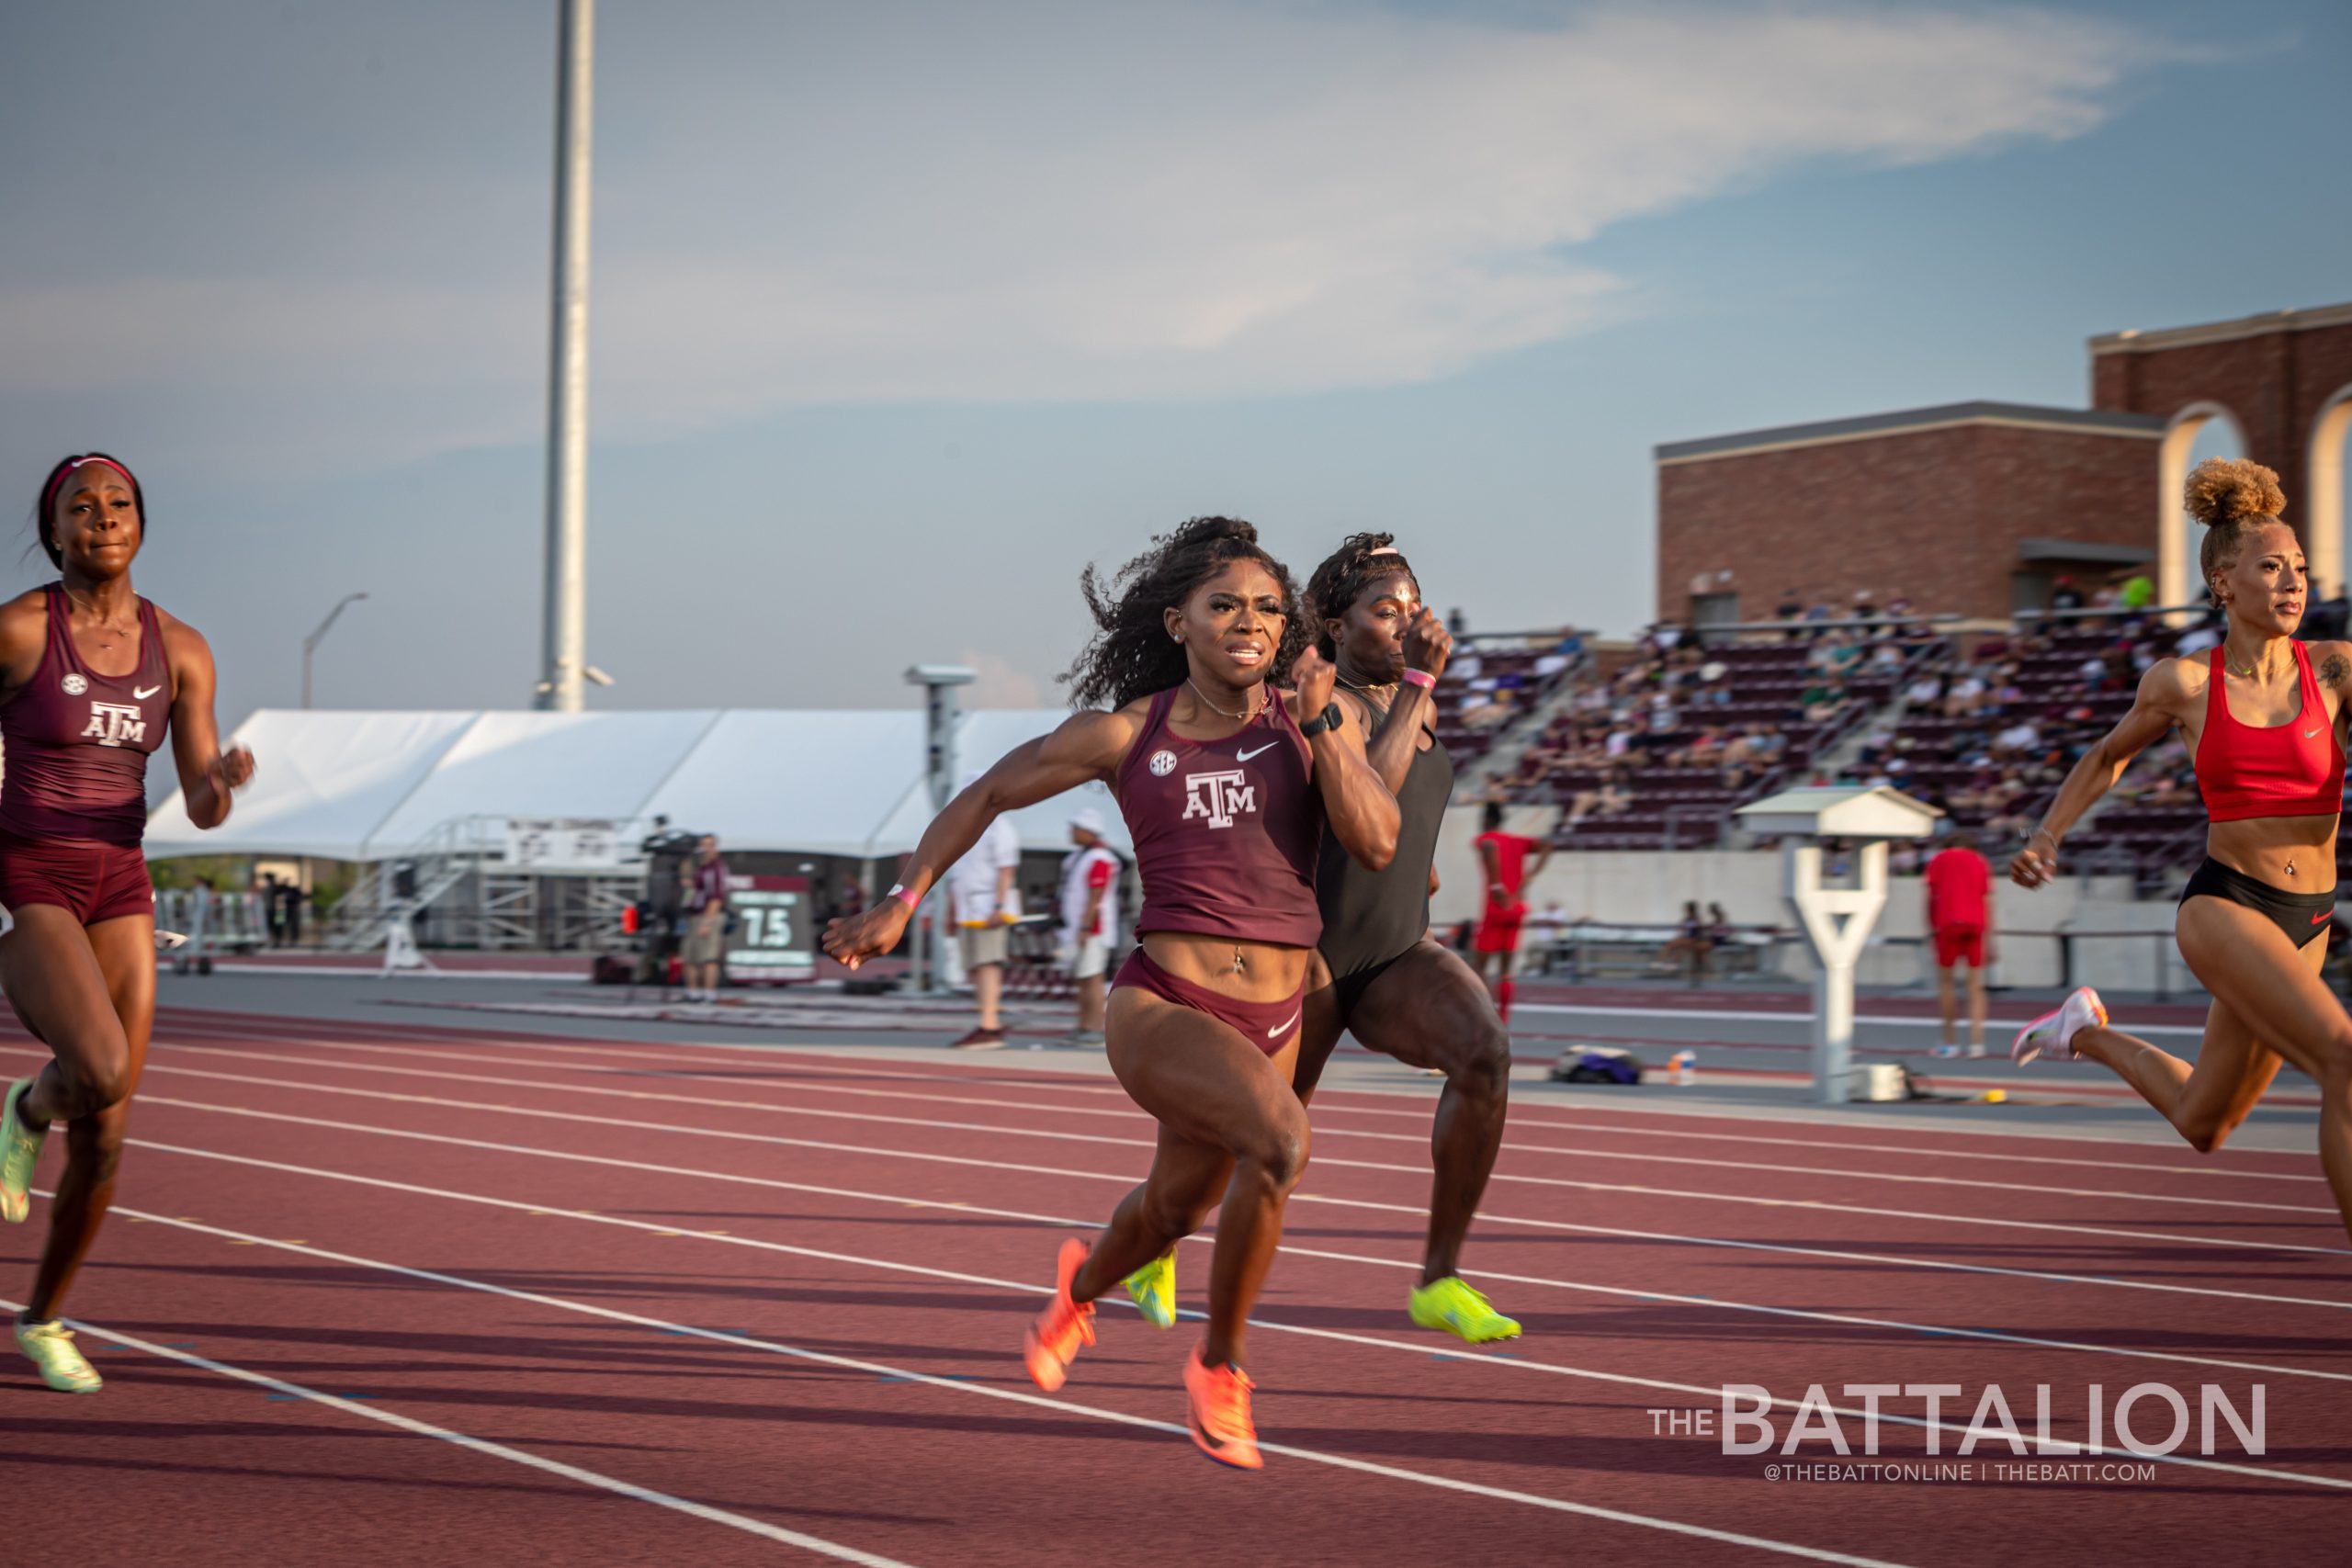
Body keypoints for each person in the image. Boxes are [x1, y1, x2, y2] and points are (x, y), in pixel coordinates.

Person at [822, 516, 1399, 1468]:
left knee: (1175, 1211)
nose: (1247, 622)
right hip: (1166, 1005)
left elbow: (1375, 840)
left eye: (1266, 608)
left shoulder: (1311, 722)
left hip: (1280, 1015)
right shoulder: (1128, 731)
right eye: (1223, 606)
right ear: (1178, 621)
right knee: (1280, 1143)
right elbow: (985, 797)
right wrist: (902, 900)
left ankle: (1077, 1291)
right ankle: (1222, 1369)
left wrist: (1327, 720)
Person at [1123, 535, 1519, 1346]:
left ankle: (1439, 1278)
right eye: (1386, 611)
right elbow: (1364, 793)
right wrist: (1416, 682)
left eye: (1414, 608)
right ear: (1334, 627)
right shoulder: (1314, 703)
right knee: (1252, 1145)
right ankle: (1154, 1242)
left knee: (1485, 1052)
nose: (1407, 623)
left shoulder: (1421, 701)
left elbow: (1401, 820)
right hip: (1311, 959)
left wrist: (1426, 870)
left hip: (1399, 946)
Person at [2009, 459, 2352, 1244]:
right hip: (2227, 904)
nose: (2293, 582)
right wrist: (2046, 833)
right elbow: (2106, 758)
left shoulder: (2337, 669)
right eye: (2271, 567)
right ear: (2223, 581)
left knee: (2206, 1120)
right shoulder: (2185, 684)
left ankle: (2080, 1030)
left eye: (2300, 567)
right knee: (2345, 1059)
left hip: (2310, 919)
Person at [0, 453, 254, 1393]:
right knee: (96, 1068)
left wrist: (220, 783)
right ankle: (24, 1112)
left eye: (118, 504)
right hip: (32, 878)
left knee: (108, 1130)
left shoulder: (180, 647)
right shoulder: (21, 633)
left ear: (140, 523)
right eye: (82, 507)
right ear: (55, 529)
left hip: (120, 883)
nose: (103, 517)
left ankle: (45, 1319)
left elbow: (196, 801)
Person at [942, 771, 1023, 1047]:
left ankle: (989, 1025)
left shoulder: (1000, 828)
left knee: (988, 963)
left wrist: (999, 905)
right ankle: (987, 1020)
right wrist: (952, 910)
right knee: (974, 967)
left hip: (990, 907)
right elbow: (957, 874)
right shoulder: (963, 829)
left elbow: (1006, 869)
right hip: (968, 909)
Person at [1471, 798, 1552, 1023]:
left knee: (1479, 968)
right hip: (1516, 909)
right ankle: (1503, 1019)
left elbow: (1489, 846)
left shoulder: (1485, 838)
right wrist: (1529, 877)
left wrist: (1496, 884)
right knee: (1506, 971)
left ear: (1487, 819)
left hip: (1496, 908)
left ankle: (1485, 1017)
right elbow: (1548, 845)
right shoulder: (1516, 841)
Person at [1923, 830, 1995, 1056]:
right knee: (1976, 986)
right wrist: (1991, 939)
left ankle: (1950, 1043)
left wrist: (1930, 929)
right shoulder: (1980, 861)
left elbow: (1930, 897)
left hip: (1948, 923)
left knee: (1946, 983)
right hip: (1976, 923)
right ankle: (1976, 1044)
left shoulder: (1939, 859)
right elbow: (1987, 900)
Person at [1057, 808, 1121, 1045]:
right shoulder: (1077, 858)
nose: (1071, 832)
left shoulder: (1100, 859)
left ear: (1088, 831)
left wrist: (1086, 927)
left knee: (1093, 978)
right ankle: (1083, 1025)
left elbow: (1096, 895)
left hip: (1093, 930)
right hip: (1076, 928)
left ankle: (1095, 1028)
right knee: (1081, 979)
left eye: (1075, 829)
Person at [680, 834, 729, 1001]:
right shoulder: (700, 867)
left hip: (708, 915)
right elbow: (695, 891)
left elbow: (716, 896)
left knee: (708, 957)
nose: (705, 849)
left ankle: (709, 994)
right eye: (703, 845)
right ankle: (693, 992)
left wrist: (708, 922)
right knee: (690, 956)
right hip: (695, 914)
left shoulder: (716, 868)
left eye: (709, 845)